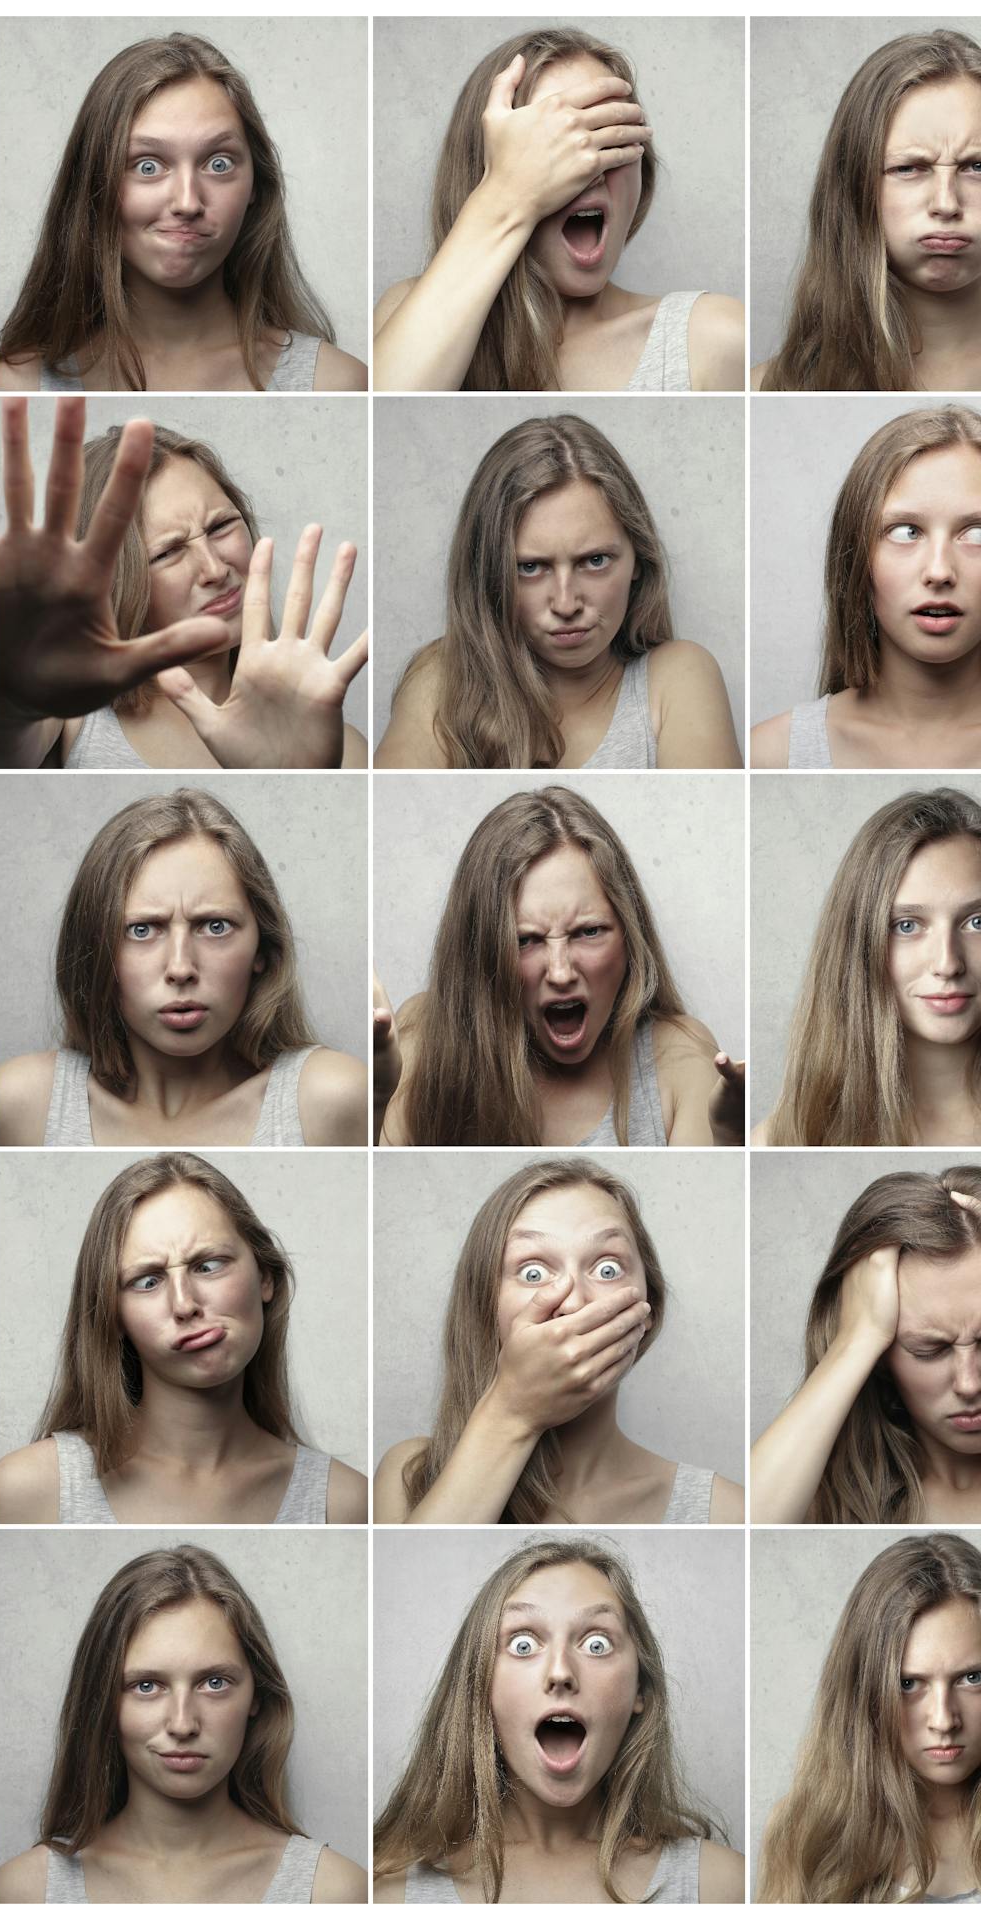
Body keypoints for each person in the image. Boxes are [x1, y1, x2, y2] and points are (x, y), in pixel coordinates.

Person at [0, 1154, 367, 1524]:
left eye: (207, 1266)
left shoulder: (343, 1502)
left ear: (265, 1277)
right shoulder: (28, 1489)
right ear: (113, 1316)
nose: (184, 1304)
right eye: (147, 1281)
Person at [373, 1536, 743, 1902]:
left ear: (639, 1692)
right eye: (523, 1645)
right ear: (478, 1688)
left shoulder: (722, 1887)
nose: (561, 1671)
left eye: (597, 1644)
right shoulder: (386, 1892)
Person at [373, 29, 744, 393]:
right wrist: (504, 199)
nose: (588, 167)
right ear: (485, 169)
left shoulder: (711, 338)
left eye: (610, 135)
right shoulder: (406, 310)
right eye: (555, 144)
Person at [752, 407, 981, 770]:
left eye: (978, 534)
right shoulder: (771, 755)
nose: (940, 571)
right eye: (905, 532)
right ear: (856, 556)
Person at [757, 1533, 981, 1901]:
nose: (944, 1721)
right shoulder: (803, 1833)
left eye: (972, 1678)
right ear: (862, 1691)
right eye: (908, 1683)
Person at [375, 1159, 740, 1525]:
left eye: (607, 1269)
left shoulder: (722, 1511)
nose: (574, 1301)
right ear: (484, 1308)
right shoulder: (409, 1476)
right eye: (533, 1272)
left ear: (647, 1314)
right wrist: (511, 1412)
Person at [750, 1167, 981, 1525]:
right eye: (929, 1349)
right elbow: (752, 1523)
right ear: (881, 1358)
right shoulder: (811, 1493)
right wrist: (855, 1341)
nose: (969, 1384)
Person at [754, 31, 981, 392]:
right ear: (854, 186)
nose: (946, 204)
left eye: (977, 166)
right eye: (908, 168)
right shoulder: (768, 387)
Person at [375, 787, 744, 1146]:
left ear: (631, 938)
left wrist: (729, 1139)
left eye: (588, 932)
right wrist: (379, 1099)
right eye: (525, 940)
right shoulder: (427, 1037)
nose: (561, 972)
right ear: (479, 952)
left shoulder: (678, 1058)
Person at [0, 789, 366, 1147]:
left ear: (262, 949)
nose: (180, 967)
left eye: (214, 926)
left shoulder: (328, 1098)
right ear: (95, 951)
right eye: (142, 930)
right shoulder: (23, 1103)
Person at [0, 33, 366, 392]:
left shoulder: (335, 382)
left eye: (218, 164)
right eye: (147, 166)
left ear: (256, 185)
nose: (187, 203)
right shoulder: (14, 383)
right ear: (94, 185)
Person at [0, 1545, 367, 1902]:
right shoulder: (24, 1892)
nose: (183, 1723)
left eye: (214, 1683)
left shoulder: (334, 1893)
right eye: (146, 1686)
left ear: (257, 1695)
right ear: (102, 1700)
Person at [0, 412, 367, 770]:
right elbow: (5, 753)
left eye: (221, 525)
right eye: (169, 552)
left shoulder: (345, 752)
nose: (215, 569)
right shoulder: (74, 715)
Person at [757, 787, 981, 1146]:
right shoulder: (783, 1138)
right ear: (857, 946)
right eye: (906, 926)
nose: (947, 964)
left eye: (978, 921)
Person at [376, 415, 739, 768]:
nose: (566, 604)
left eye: (595, 560)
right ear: (489, 573)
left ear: (638, 561)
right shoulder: (444, 680)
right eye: (530, 567)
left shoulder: (676, 678)